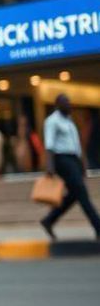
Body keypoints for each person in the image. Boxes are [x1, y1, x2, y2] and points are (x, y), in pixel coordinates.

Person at [39, 94, 100, 240]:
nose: (69, 105)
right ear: (57, 104)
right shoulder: (52, 121)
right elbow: (49, 145)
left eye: (69, 102)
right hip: (62, 160)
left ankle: (49, 220)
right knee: (82, 192)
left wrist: (83, 164)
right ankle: (98, 227)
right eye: (66, 102)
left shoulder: (69, 121)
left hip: (73, 160)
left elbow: (76, 145)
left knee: (75, 194)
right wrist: (49, 166)